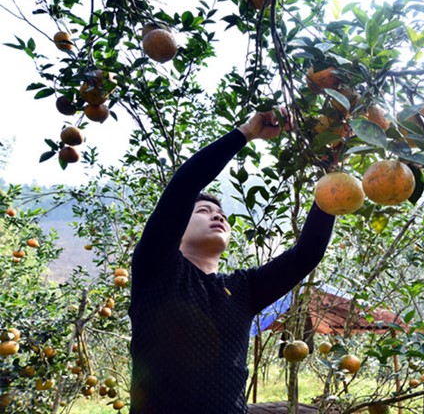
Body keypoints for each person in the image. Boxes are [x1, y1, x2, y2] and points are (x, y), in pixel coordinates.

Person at [128, 110, 335, 413]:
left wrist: (331, 181)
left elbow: (306, 254)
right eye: (203, 212)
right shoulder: (157, 269)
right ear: (177, 227)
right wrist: (246, 133)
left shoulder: (243, 288)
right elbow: (184, 185)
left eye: (222, 216)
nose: (217, 217)